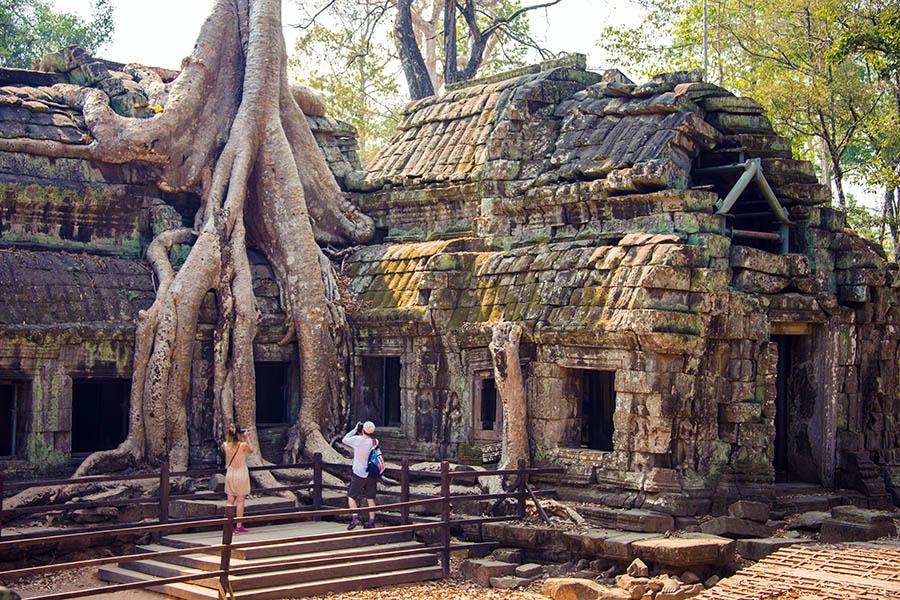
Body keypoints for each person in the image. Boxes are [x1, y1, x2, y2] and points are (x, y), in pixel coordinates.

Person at [342, 420, 377, 530]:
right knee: (370, 498)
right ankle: (371, 522)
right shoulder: (374, 442)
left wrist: (354, 430)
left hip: (359, 473)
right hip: (371, 473)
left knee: (351, 496)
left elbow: (344, 439)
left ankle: (355, 518)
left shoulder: (358, 440)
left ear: (362, 429)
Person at [223, 424, 253, 533]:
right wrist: (247, 437)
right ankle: (239, 525)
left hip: (230, 473)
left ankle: (228, 525)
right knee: (240, 500)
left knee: (230, 500)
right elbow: (251, 450)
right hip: (241, 473)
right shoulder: (243, 445)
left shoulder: (225, 445)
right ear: (239, 433)